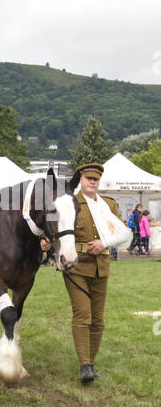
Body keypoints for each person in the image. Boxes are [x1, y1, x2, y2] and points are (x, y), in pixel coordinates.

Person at [55, 163, 123, 384]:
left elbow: (121, 232)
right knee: (83, 314)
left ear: (99, 181)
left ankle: (91, 364)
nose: (92, 182)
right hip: (76, 266)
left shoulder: (109, 205)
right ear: (81, 179)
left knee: (98, 320)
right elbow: (59, 230)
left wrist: (104, 242)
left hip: (101, 267)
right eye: (88, 178)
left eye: (95, 179)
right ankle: (84, 365)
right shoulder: (70, 203)